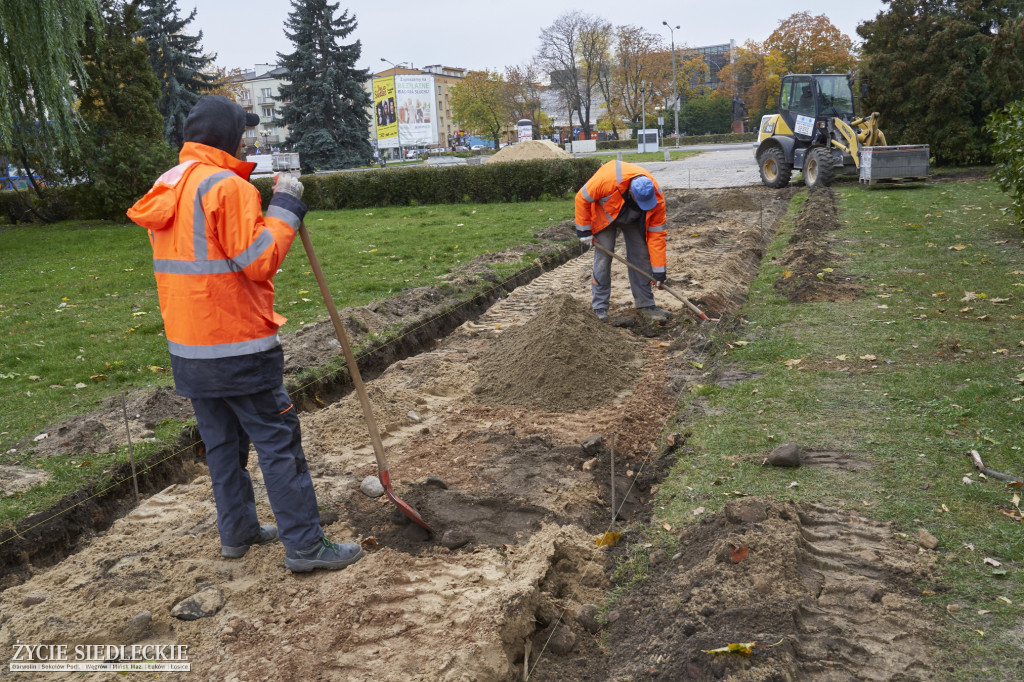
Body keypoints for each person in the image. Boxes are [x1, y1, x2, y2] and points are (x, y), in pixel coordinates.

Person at [126, 95, 363, 573]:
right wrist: (287, 207)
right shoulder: (228, 189)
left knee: (223, 447)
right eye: (243, 132)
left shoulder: (168, 184)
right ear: (230, 137)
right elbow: (259, 261)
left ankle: (238, 531)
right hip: (238, 348)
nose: (247, 139)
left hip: (190, 351)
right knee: (278, 443)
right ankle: (305, 545)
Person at [575, 160, 670, 322]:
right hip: (605, 217)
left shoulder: (656, 197)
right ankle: (599, 307)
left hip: (634, 218)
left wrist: (659, 272)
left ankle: (645, 304)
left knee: (641, 255)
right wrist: (584, 230)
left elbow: (657, 237)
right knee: (603, 259)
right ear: (631, 192)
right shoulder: (607, 181)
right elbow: (581, 197)